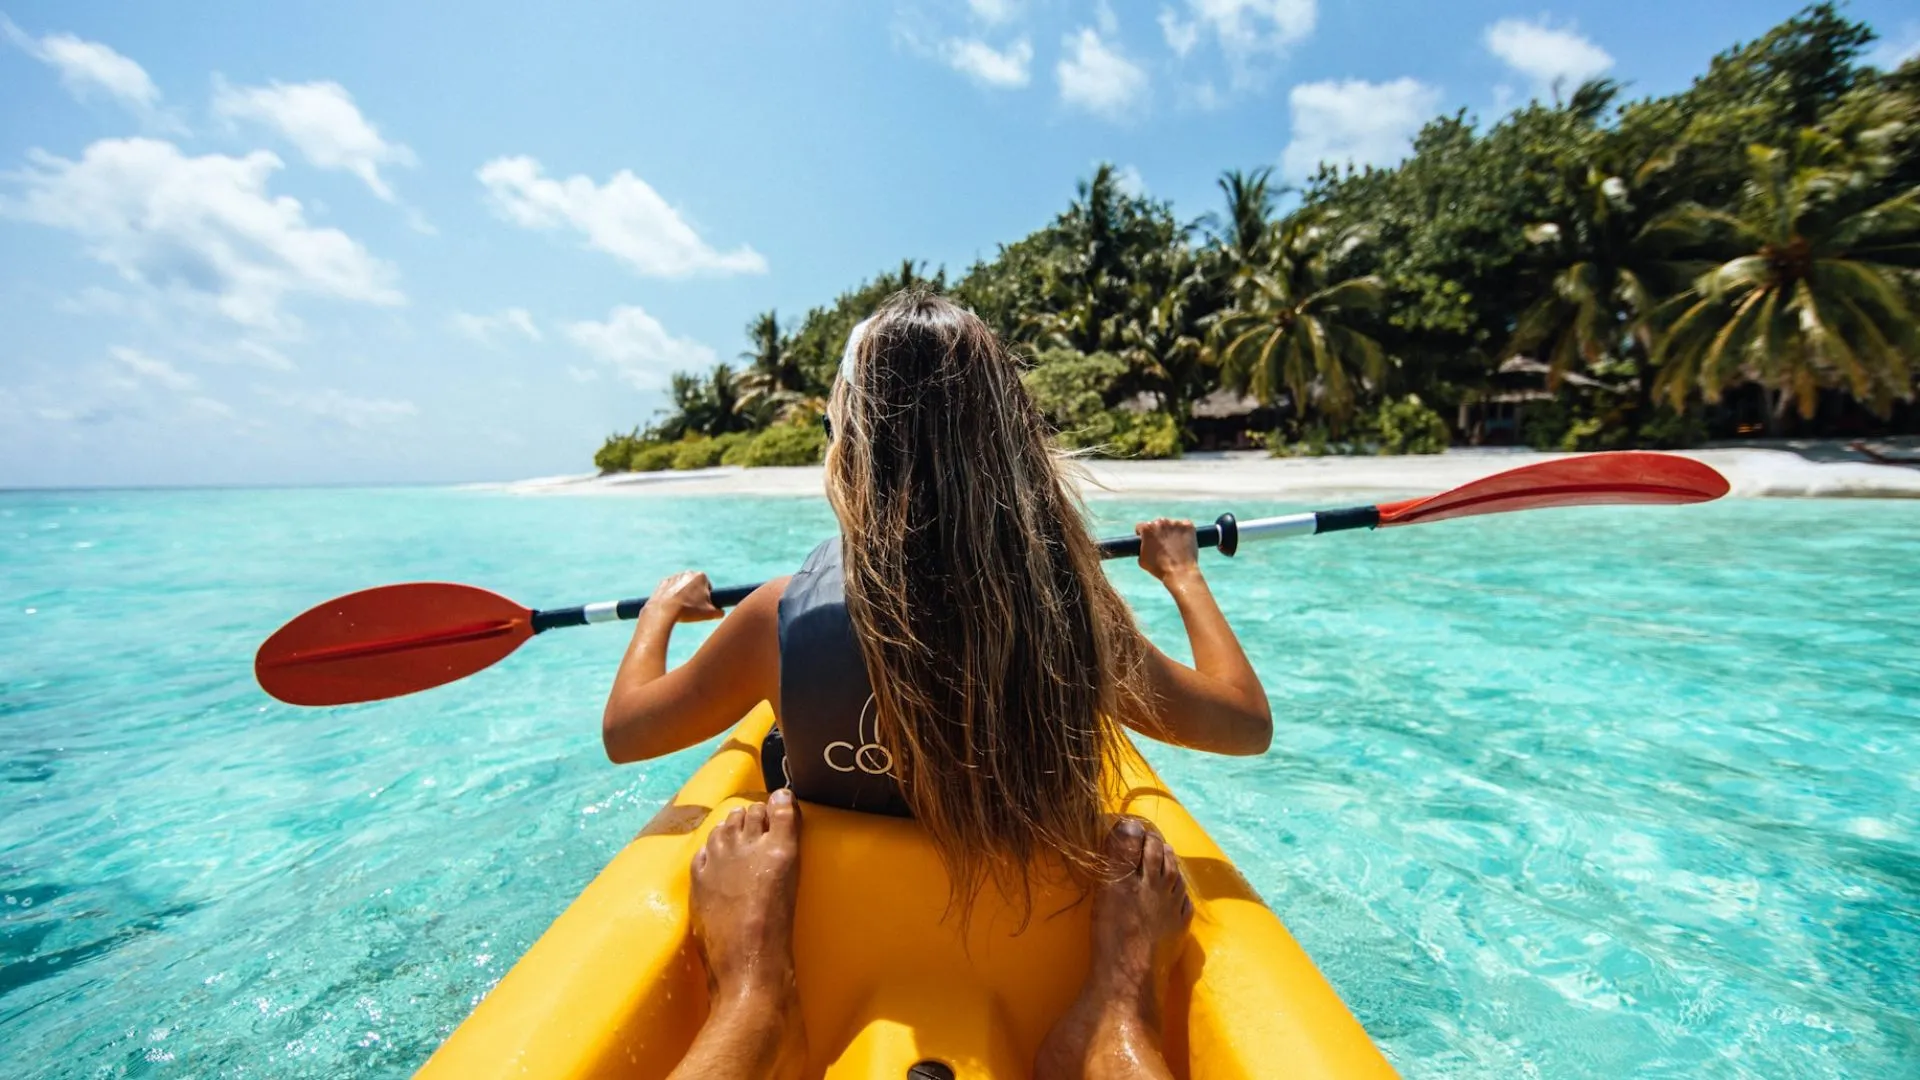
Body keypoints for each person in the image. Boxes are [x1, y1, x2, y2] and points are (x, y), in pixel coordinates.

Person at [601, 292, 1273, 1080]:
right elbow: (1241, 725)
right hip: (1032, 926)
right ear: (1014, 436)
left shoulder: (776, 618)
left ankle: (757, 1001)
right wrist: (1185, 577)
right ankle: (1114, 1009)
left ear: (849, 442)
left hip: (834, 921)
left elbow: (628, 733)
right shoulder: (1077, 616)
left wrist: (659, 615)